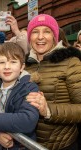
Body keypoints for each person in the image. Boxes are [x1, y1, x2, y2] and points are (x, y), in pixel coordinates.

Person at [25, 14, 81, 150]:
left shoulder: (71, 63)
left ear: (55, 37)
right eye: (35, 32)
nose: (40, 37)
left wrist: (48, 110)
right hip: (28, 143)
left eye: (47, 31)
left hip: (62, 145)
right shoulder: (24, 65)